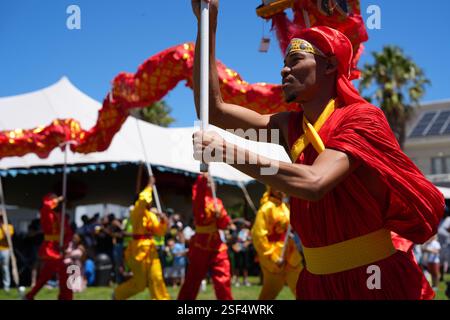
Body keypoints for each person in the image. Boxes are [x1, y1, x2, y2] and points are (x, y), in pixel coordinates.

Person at [191, 0, 445, 299]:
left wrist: (229, 153)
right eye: (284, 62)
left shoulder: (362, 117)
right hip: (316, 284)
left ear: (329, 64)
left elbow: (314, 182)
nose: (284, 69)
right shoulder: (290, 126)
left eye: (296, 59)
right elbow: (214, 111)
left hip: (373, 279)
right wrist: (207, 24)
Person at [178, 173, 234, 300]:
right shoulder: (199, 199)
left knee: (223, 279)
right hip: (200, 245)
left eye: (212, 182)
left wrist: (221, 217)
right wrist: (203, 177)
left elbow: (223, 224)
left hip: (217, 245)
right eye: (208, 182)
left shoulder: (218, 202)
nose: (210, 184)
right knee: (193, 280)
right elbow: (200, 209)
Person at [113, 178, 170, 300]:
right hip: (137, 251)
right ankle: (118, 294)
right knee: (140, 284)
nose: (150, 202)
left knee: (157, 277)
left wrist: (163, 221)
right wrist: (149, 185)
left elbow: (160, 232)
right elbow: (143, 199)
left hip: (151, 250)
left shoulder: (151, 215)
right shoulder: (136, 212)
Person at [251, 186, 303, 299]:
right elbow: (258, 236)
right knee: (269, 292)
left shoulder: (285, 206)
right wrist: (273, 256)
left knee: (302, 287)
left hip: (290, 253)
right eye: (276, 185)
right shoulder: (266, 208)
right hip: (274, 257)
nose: (280, 188)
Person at [25, 193, 73, 300]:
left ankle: (30, 295)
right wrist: (59, 199)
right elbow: (46, 205)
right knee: (62, 271)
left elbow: (68, 232)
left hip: (59, 249)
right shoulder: (46, 213)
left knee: (46, 276)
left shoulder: (62, 216)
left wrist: (64, 244)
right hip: (50, 249)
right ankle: (65, 297)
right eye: (54, 200)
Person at [0, 215, 14, 292]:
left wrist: (2, 227)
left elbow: (8, 237)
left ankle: (6, 286)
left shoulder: (9, 226)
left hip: (5, 250)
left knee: (5, 268)